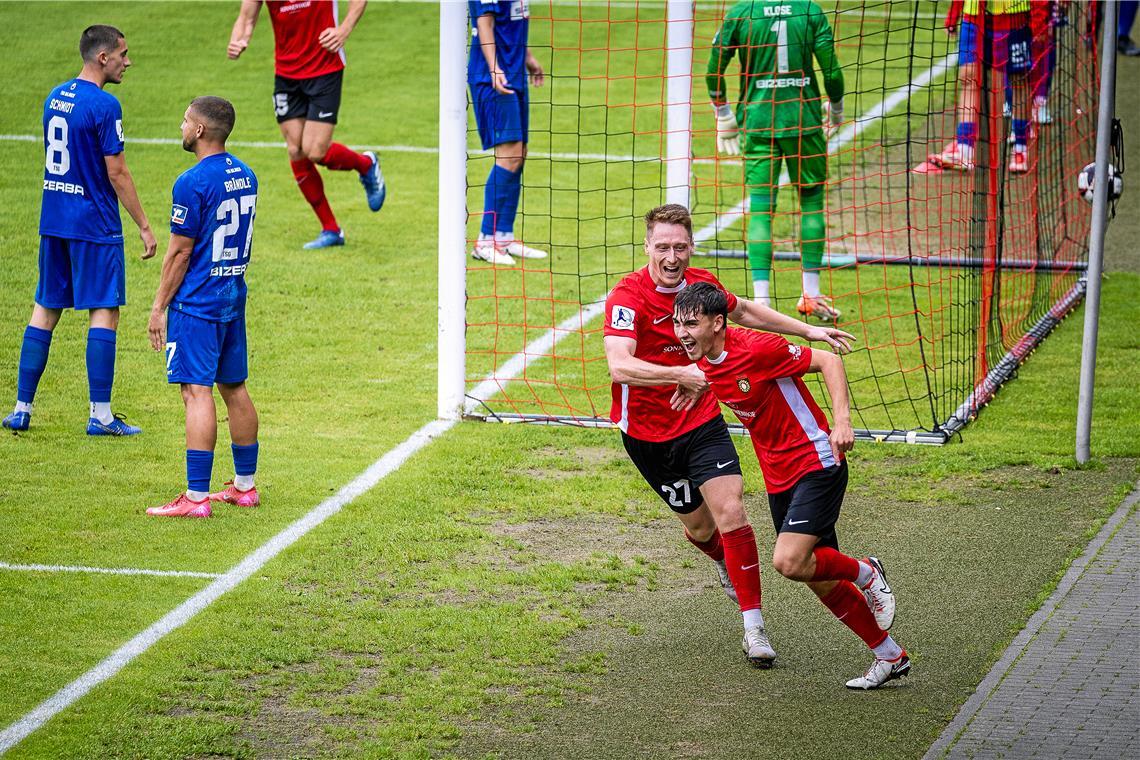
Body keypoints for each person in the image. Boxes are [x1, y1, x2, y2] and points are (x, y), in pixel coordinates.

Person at [603, 203, 855, 668]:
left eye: (680, 246)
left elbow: (747, 314)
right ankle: (722, 558)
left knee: (732, 510)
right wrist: (682, 372)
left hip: (700, 423)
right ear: (647, 248)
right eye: (663, 247)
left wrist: (808, 330)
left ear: (691, 246)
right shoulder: (627, 298)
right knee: (700, 528)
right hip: (647, 436)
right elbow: (619, 365)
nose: (672, 256)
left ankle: (753, 628)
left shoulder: (703, 289)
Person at [673, 282, 907, 689]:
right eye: (678, 324)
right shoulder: (703, 362)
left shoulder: (758, 348)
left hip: (816, 461)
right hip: (778, 477)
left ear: (718, 323)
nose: (682, 333)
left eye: (691, 324)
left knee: (788, 562)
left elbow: (828, 363)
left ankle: (868, 572)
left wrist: (843, 422)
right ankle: (890, 656)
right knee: (816, 575)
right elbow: (715, 376)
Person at [3, 25, 157, 435]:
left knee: (45, 307)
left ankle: (21, 409)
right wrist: (143, 224)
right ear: (102, 58)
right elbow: (117, 171)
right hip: (94, 223)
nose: (129, 61)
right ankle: (100, 415)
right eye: (123, 54)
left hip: (54, 219)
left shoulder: (56, 95)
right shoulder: (105, 106)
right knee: (104, 309)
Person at [146, 97, 260, 518]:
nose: (181, 126)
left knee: (197, 392)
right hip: (232, 294)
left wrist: (159, 306)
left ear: (199, 131)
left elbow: (179, 253)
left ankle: (196, 499)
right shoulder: (245, 174)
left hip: (197, 302)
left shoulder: (191, 182)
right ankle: (244, 488)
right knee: (234, 387)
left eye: (185, 121)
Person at [706, 0, 845, 322]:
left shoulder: (742, 12)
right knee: (811, 202)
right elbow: (832, 71)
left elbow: (714, 68)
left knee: (761, 209)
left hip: (757, 121)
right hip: (804, 120)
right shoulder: (809, 10)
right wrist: (836, 108)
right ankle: (811, 294)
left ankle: (763, 301)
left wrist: (723, 114)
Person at [228, 0, 385, 250]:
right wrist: (240, 39)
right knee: (295, 150)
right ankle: (331, 229)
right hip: (286, 75)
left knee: (316, 151)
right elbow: (246, 18)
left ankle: (366, 164)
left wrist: (343, 30)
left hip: (325, 68)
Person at [468, 0, 548, 266]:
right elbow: (485, 23)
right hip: (493, 77)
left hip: (513, 73)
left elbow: (511, 24)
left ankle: (503, 236)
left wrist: (528, 58)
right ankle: (484, 239)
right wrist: (493, 67)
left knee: (519, 153)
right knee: (509, 155)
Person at [930, 0, 1032, 174]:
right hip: (974, 16)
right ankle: (965, 151)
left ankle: (1021, 149)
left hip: (1014, 16)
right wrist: (954, 13)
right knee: (968, 77)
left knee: (1019, 81)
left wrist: (1039, 19)